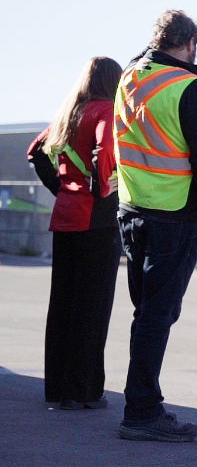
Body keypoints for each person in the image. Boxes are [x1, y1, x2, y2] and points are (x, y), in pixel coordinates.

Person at [114, 10, 197, 442]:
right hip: (174, 215)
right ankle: (141, 410)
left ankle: (140, 402)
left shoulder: (130, 78)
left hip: (132, 209)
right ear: (191, 42)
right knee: (158, 314)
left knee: (147, 314)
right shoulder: (188, 88)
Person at [26, 57, 123, 410]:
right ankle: (85, 391)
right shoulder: (105, 110)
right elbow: (105, 152)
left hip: (65, 217)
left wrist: (63, 188)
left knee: (63, 305)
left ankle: (58, 389)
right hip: (95, 222)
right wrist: (101, 190)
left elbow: (35, 151)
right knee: (92, 309)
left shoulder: (70, 112)